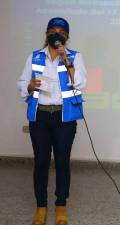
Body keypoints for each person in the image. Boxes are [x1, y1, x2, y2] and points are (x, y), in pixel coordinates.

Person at [17, 17, 87, 225]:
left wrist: (67, 61)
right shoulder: (35, 57)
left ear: (67, 36)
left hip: (64, 117)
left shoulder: (75, 57)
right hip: (40, 116)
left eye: (61, 31)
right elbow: (22, 83)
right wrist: (29, 86)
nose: (57, 34)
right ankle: (41, 206)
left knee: (63, 161)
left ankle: (60, 205)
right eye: (52, 30)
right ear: (46, 33)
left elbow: (81, 83)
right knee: (41, 162)